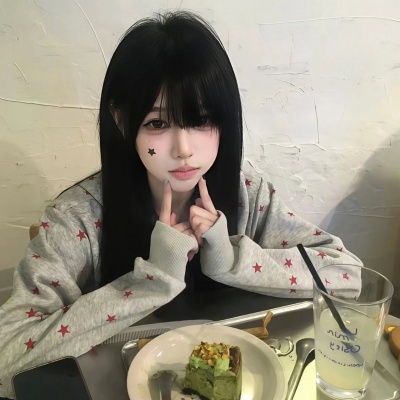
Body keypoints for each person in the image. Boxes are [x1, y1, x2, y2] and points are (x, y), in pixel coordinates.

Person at [0, 11, 362, 398]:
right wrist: (151, 281)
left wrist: (234, 259)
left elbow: (348, 278)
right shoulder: (78, 218)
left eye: (201, 119)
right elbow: (9, 351)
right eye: (157, 124)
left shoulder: (248, 195)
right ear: (121, 121)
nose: (184, 149)